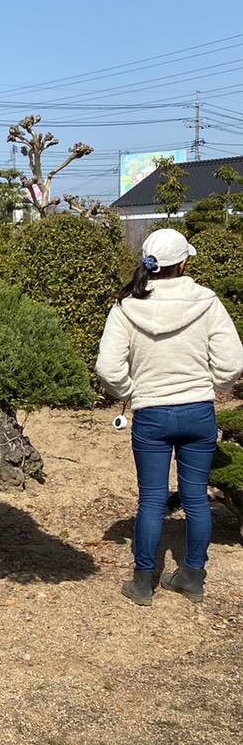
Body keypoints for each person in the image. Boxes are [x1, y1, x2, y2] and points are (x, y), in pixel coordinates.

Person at [96, 227, 243, 605]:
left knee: (151, 499)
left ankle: (143, 582)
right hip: (198, 411)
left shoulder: (127, 305)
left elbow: (108, 368)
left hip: (151, 414)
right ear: (183, 261)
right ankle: (192, 576)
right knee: (195, 497)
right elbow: (232, 362)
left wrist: (131, 391)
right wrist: (211, 384)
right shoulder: (207, 301)